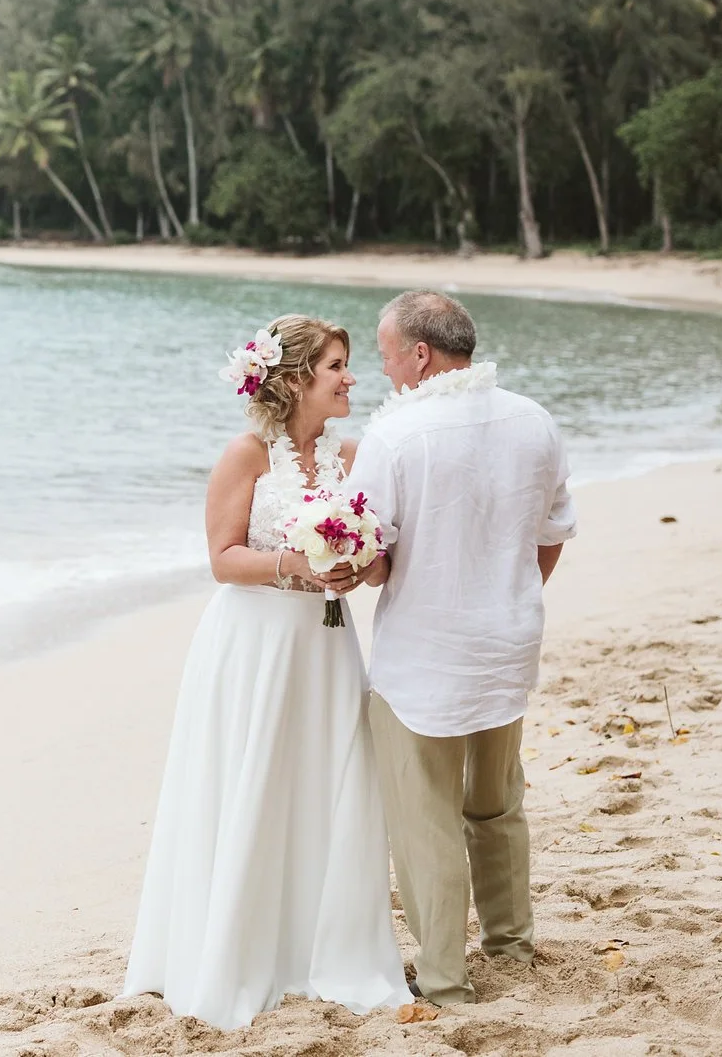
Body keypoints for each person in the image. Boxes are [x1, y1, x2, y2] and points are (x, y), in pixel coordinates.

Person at [123, 315, 410, 1027]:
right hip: (252, 649)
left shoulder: (354, 454)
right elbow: (222, 558)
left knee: (330, 783)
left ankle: (327, 948)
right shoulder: (245, 454)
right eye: (337, 365)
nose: (351, 377)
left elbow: (377, 562)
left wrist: (362, 562)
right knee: (250, 783)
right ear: (295, 378)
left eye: (349, 363)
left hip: (326, 648)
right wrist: (295, 564)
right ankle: (238, 951)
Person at [345, 290, 576, 1009]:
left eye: (386, 357)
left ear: (419, 354)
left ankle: (445, 975)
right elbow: (552, 534)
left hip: (424, 655)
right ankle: (510, 940)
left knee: (426, 820)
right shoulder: (534, 420)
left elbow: (373, 555)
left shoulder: (398, 435)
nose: (384, 374)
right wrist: (504, 596)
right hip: (506, 642)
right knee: (498, 804)